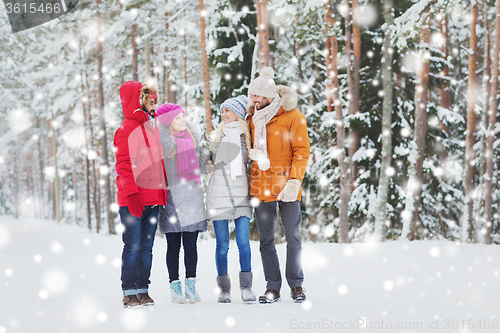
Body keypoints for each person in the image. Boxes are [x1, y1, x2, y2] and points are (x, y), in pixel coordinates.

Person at [246, 67, 310, 303]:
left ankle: (296, 285)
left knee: (292, 236)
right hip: (261, 185)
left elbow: (302, 151)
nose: (253, 100)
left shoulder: (293, 116)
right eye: (252, 96)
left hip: (287, 186)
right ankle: (272, 287)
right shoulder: (252, 118)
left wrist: (295, 180)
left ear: (269, 95)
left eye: (257, 96)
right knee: (266, 241)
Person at [114, 81, 167, 309]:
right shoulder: (125, 130)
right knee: (133, 246)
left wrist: (161, 192)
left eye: (154, 101)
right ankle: (129, 292)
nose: (151, 105)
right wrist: (132, 196)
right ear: (137, 102)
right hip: (132, 200)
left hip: (152, 199)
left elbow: (158, 164)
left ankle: (143, 289)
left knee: (147, 248)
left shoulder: (151, 128)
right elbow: (124, 166)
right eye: (148, 100)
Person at [199, 96, 256, 303]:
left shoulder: (248, 137)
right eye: (222, 111)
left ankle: (247, 286)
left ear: (238, 114)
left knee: (243, 242)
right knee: (222, 245)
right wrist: (207, 163)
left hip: (241, 195)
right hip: (218, 197)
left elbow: (254, 163)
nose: (223, 115)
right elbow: (200, 165)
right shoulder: (215, 137)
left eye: (228, 111)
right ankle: (224, 289)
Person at [156, 103, 207, 304]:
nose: (182, 120)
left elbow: (203, 166)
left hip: (192, 196)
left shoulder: (192, 139)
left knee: (191, 245)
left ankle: (191, 286)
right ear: (168, 122)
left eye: (183, 116)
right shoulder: (164, 143)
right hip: (172, 197)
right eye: (177, 117)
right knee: (173, 245)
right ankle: (175, 286)